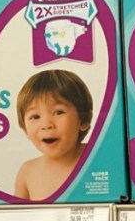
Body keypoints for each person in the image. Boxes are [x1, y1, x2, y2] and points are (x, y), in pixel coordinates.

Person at [14, 69, 93, 201]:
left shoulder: (98, 158)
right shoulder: (27, 172)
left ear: (84, 120)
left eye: (58, 112)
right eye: (35, 116)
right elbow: (18, 218)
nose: (46, 124)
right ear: (25, 129)